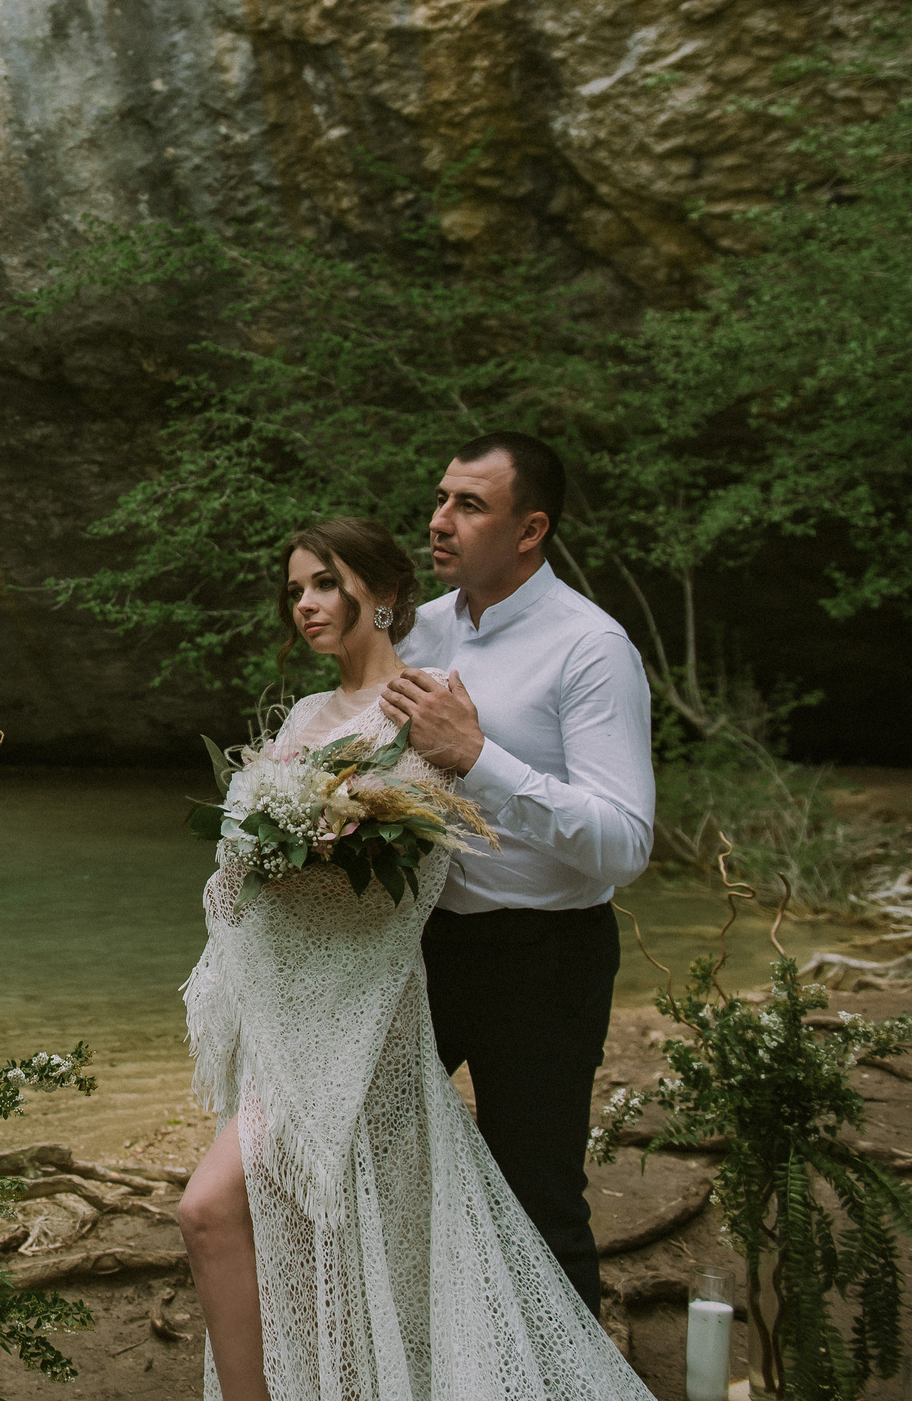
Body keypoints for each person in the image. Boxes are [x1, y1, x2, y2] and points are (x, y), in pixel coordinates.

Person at [175, 515, 651, 1400]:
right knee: (330, 1227)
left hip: (368, 1014)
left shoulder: (427, 708)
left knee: (211, 1207)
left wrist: (320, 833)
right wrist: (262, 845)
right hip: (289, 1014)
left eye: (325, 583)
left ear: (385, 596)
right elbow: (239, 874)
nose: (307, 604)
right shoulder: (309, 714)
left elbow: (406, 866)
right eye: (296, 590)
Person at [379, 431, 655, 1316]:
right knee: (359, 1153)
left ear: (530, 528)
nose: (439, 522)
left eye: (469, 505)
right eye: (439, 499)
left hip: (546, 959)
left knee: (538, 1200)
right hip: (415, 947)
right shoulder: (416, 628)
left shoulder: (591, 648)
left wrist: (479, 756)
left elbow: (624, 844)